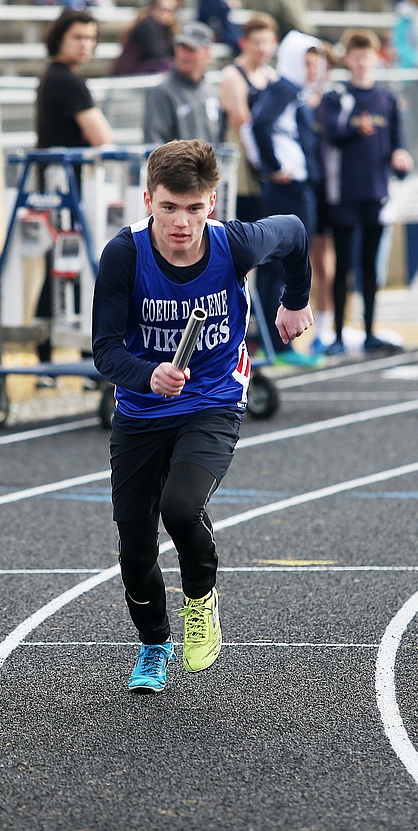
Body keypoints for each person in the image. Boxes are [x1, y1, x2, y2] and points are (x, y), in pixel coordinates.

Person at [90, 139, 313, 692]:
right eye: (169, 208)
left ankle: (200, 599)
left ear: (211, 203)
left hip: (213, 399)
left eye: (194, 208)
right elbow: (104, 349)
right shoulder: (124, 254)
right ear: (148, 201)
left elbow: (295, 232)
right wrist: (148, 375)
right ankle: (152, 645)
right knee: (135, 543)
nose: (181, 223)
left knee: (181, 507)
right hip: (142, 409)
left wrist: (295, 297)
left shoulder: (233, 245)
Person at [317, 29, 412, 357]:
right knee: (342, 265)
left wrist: (402, 159)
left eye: (366, 57)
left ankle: (370, 330)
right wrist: (356, 130)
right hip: (343, 193)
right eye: (356, 57)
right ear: (347, 60)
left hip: (376, 192)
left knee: (371, 265)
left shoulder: (387, 98)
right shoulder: (337, 96)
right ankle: (339, 334)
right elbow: (331, 134)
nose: (361, 63)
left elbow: (397, 143)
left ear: (375, 59)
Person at [35, 8, 114, 385]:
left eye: (91, 38)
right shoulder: (65, 80)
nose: (87, 44)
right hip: (66, 187)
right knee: (76, 266)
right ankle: (81, 359)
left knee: (64, 266)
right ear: (60, 38)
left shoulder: (56, 77)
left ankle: (51, 359)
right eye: (78, 37)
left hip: (57, 186)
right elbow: (103, 138)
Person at [251, 30, 324, 367]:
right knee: (283, 265)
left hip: (293, 186)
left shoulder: (294, 91)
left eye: (315, 63)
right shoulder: (285, 88)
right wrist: (274, 166)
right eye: (306, 62)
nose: (312, 70)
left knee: (278, 265)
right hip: (287, 189)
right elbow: (260, 123)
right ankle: (279, 344)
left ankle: (274, 342)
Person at [220, 13, 279, 224]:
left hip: (265, 159)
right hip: (243, 165)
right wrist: (262, 164)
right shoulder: (233, 75)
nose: (262, 48)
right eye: (256, 43)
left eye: (267, 42)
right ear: (244, 43)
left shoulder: (271, 75)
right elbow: (242, 123)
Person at [143, 21, 223, 145]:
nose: (184, 55)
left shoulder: (213, 92)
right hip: (176, 164)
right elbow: (154, 143)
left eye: (191, 49)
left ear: (207, 52)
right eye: (181, 48)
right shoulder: (162, 92)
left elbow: (219, 140)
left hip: (207, 164)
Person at [112, 0, 178, 76]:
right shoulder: (146, 26)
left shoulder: (167, 28)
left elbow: (173, 52)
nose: (169, 15)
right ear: (154, 9)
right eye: (165, 10)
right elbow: (156, 54)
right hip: (130, 73)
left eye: (173, 11)